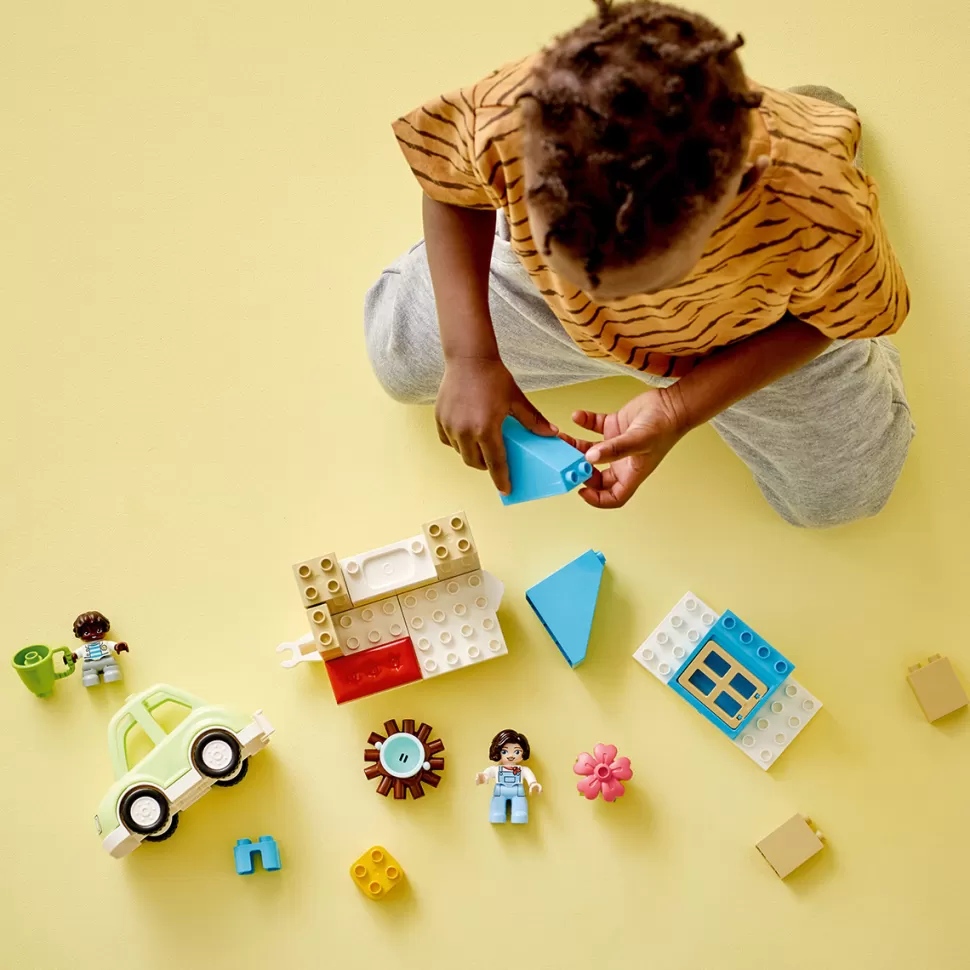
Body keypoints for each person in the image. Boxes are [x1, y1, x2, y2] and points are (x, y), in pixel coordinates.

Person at [365, 0, 914, 527]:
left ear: (739, 190)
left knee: (838, 499)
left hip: (750, 331)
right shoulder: (519, 109)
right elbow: (451, 188)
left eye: (644, 277)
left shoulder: (816, 210)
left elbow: (823, 323)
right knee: (397, 361)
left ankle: (822, 127)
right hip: (546, 304)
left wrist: (680, 407)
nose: (605, 299)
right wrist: (470, 357)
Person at [476, 729, 542, 824]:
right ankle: (496, 814)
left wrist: (533, 784)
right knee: (497, 805)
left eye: (516, 752)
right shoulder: (496, 769)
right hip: (500, 791)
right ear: (497, 752)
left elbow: (529, 776)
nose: (510, 755)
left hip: (518, 792)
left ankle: (519, 814)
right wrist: (483, 776)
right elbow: (488, 772)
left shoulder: (523, 769)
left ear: (523, 752)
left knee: (520, 808)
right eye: (505, 752)